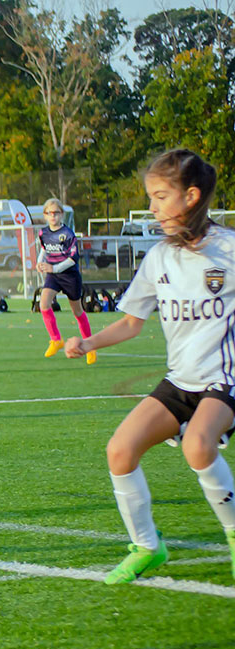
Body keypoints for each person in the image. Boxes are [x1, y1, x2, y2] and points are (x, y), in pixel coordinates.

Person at [65, 149, 235, 584]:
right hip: (180, 380)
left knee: (199, 445)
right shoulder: (159, 256)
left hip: (224, 379)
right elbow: (130, 322)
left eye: (161, 197)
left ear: (191, 196)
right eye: (151, 197)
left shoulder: (229, 249)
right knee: (119, 451)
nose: (153, 208)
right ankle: (147, 546)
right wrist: (87, 342)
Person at [36, 199, 94, 363]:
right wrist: (40, 262)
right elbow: (44, 248)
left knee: (78, 312)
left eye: (56, 212)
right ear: (45, 215)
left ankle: (90, 346)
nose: (53, 216)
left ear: (62, 214)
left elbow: (73, 259)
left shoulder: (68, 234)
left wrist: (53, 268)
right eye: (49, 213)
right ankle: (56, 340)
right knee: (43, 303)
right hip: (53, 276)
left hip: (70, 276)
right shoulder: (43, 233)